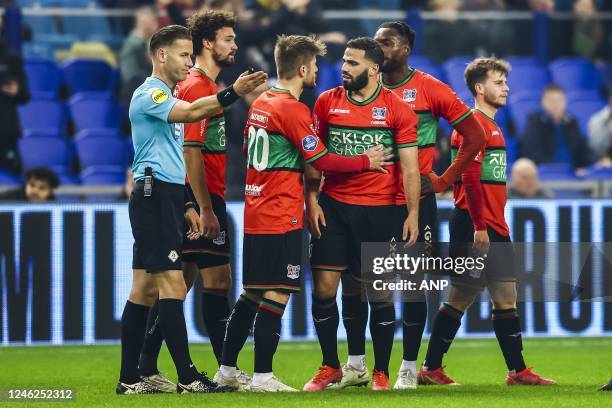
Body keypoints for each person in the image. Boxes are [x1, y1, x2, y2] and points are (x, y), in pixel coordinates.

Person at [216, 34, 391, 393]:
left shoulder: (262, 101)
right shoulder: (292, 110)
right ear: (302, 68)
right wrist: (366, 160)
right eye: (314, 66)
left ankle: (227, 370)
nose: (318, 71)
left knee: (251, 293)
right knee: (277, 294)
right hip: (281, 212)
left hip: (255, 210)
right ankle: (263, 376)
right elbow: (322, 159)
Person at [117, 24, 267, 394]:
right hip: (153, 195)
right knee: (171, 284)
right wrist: (233, 92)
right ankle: (186, 377)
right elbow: (195, 111)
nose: (189, 62)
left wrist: (185, 201)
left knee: (143, 290)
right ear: (162, 55)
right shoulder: (150, 94)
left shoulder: (165, 94)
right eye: (184, 55)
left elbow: (169, 152)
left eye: (190, 54)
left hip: (165, 194)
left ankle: (130, 379)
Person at [417, 57, 556, 387]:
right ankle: (431, 368)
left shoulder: (492, 126)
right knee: (462, 296)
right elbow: (470, 178)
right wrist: (480, 225)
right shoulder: (472, 125)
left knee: (504, 295)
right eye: (498, 82)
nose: (506, 87)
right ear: (479, 88)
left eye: (506, 82)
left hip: (493, 223)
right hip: (474, 224)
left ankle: (517, 371)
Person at [372, 20, 486, 390]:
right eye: (376, 42)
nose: (379, 49)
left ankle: (408, 367)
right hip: (369, 200)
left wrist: (444, 179)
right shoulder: (363, 87)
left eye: (386, 43)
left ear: (405, 49)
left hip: (415, 201)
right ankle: (372, 368)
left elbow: (474, 134)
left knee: (412, 284)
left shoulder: (429, 87)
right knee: (373, 285)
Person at [303, 37, 420, 391]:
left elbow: (410, 169)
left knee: (377, 292)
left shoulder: (398, 109)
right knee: (325, 289)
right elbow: (314, 157)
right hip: (334, 207)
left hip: (381, 212)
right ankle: (330, 366)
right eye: (343, 61)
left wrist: (412, 213)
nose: (344, 67)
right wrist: (311, 199)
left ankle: (381, 371)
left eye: (352, 63)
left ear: (373, 68)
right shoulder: (326, 102)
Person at [519, 84, 594, 170]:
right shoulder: (534, 122)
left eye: (559, 100)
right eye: (551, 101)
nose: (555, 105)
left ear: (565, 102)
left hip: (573, 173)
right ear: (543, 102)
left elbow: (583, 152)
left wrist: (592, 163)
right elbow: (530, 153)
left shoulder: (572, 122)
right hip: (545, 172)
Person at [119, 6, 159, 106]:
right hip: (135, 93)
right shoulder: (136, 44)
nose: (155, 25)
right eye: (152, 21)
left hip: (139, 91)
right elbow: (154, 65)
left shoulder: (138, 41)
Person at [0, 38, 29, 173]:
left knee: (12, 173)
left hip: (6, 130)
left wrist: (16, 91)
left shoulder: (12, 60)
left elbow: (25, 95)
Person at [587, 86, 612, 162]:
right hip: (604, 164)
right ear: (610, 99)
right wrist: (608, 132)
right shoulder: (596, 120)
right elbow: (595, 149)